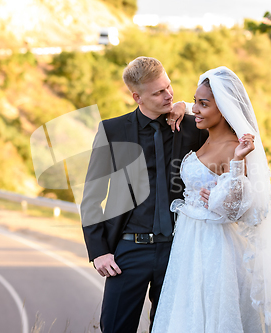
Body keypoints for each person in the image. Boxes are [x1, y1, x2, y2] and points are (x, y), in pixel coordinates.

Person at [151, 66, 271, 333]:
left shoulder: (234, 148)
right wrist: (181, 106)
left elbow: (235, 209)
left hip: (214, 247)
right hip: (188, 244)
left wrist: (236, 163)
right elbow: (193, 109)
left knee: (212, 315)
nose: (196, 109)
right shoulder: (206, 138)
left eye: (203, 104)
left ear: (223, 108)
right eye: (195, 102)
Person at [80, 56, 208, 333]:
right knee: (114, 327)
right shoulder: (112, 131)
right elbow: (92, 195)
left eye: (169, 87)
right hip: (129, 250)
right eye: (158, 92)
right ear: (137, 97)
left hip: (178, 249)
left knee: (169, 328)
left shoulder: (190, 127)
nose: (168, 95)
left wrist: (185, 105)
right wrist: (99, 251)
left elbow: (225, 121)